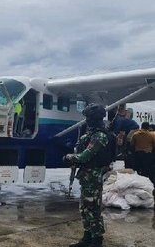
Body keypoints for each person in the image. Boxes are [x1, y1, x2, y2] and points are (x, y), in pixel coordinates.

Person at [64, 103, 111, 247]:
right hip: (86, 176)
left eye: (89, 118)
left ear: (95, 118)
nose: (87, 120)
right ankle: (87, 237)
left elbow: (85, 156)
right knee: (84, 209)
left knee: (93, 209)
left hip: (93, 176)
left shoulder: (100, 136)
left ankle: (97, 240)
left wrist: (69, 157)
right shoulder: (90, 134)